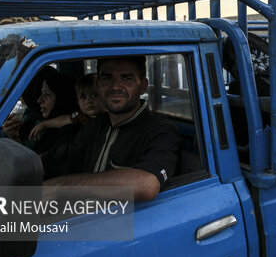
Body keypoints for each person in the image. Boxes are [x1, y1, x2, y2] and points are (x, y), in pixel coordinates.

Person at [42, 56, 181, 202]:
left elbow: (146, 184)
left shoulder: (161, 130)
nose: (115, 87)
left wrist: (59, 187)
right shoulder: (96, 126)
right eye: (107, 78)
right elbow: (54, 160)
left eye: (126, 78)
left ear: (142, 86)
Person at [29, 73, 106, 140]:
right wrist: (44, 124)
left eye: (94, 95)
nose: (88, 101)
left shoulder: (110, 118)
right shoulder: (80, 116)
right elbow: (65, 119)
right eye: (83, 97)